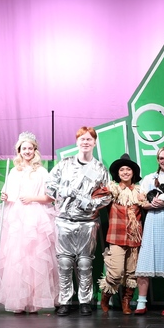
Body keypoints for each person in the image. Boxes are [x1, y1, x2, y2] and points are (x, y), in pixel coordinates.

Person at [0, 131, 59, 315]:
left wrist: (32, 198)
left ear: (35, 150)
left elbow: (50, 197)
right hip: (16, 218)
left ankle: (34, 300)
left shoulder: (42, 171)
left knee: (35, 257)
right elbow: (9, 196)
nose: (27, 151)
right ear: (18, 151)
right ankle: (18, 299)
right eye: (23, 148)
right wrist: (4, 196)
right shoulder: (13, 171)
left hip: (36, 217)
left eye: (30, 148)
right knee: (17, 258)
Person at [46, 127, 112, 316]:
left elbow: (107, 195)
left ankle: (85, 300)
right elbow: (49, 186)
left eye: (89, 139)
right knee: (65, 263)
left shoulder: (99, 168)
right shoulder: (64, 164)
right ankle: (65, 301)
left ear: (94, 143)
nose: (85, 142)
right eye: (82, 139)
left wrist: (91, 203)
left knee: (84, 263)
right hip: (64, 220)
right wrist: (61, 192)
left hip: (87, 222)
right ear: (76, 142)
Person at [134, 146, 164, 316]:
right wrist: (150, 204)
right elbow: (141, 202)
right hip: (153, 222)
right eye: (161, 158)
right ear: (158, 160)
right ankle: (141, 302)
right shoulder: (148, 179)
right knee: (146, 260)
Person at [100, 154, 143, 314]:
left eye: (128, 169)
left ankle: (126, 301)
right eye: (122, 169)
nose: (125, 172)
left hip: (134, 238)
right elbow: (95, 197)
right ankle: (106, 296)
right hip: (116, 237)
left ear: (133, 172)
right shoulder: (113, 190)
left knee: (131, 274)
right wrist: (108, 190)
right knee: (116, 273)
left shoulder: (139, 192)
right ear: (117, 173)